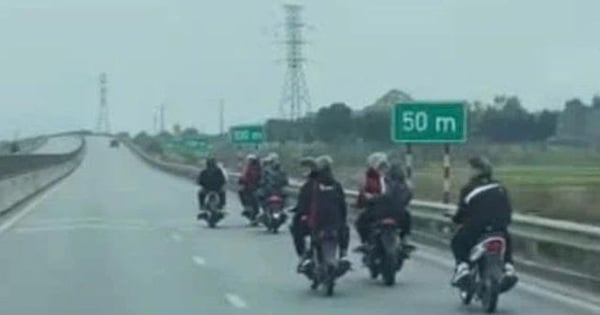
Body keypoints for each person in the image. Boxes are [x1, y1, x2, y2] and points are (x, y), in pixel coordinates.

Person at [450, 156, 518, 291]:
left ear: (477, 171)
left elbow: (461, 213)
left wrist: (456, 219)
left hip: (476, 230)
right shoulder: (500, 188)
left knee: (457, 242)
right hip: (499, 228)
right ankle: (509, 268)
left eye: (470, 169)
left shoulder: (469, 189)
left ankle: (463, 268)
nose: (468, 172)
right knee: (507, 241)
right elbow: (508, 211)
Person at [303, 155, 350, 267]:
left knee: (302, 228)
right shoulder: (336, 184)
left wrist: (303, 214)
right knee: (344, 230)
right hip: (334, 222)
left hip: (318, 222)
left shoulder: (312, 184)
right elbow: (342, 204)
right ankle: (343, 254)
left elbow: (304, 201)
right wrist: (342, 219)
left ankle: (306, 255)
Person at [354, 152, 390, 252]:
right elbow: (363, 194)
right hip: (380, 209)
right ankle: (367, 242)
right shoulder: (368, 177)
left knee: (360, 222)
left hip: (381, 209)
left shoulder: (389, 177)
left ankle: (366, 243)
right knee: (361, 222)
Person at [376, 163, 415, 253]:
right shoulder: (405, 185)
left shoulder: (384, 182)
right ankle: (404, 240)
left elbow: (378, 196)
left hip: (383, 212)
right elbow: (408, 197)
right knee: (407, 220)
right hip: (399, 213)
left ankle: (367, 242)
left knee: (367, 220)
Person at [289, 156, 320, 272]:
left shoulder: (309, 186)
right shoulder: (332, 183)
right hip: (329, 220)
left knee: (296, 227)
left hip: (313, 220)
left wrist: (300, 212)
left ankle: (302, 254)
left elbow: (303, 204)